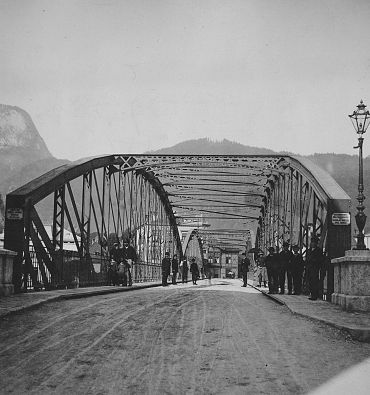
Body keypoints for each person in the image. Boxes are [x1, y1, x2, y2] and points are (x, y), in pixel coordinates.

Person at [305, 235, 324, 300]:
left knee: (314, 282)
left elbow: (320, 259)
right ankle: (312, 294)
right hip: (309, 268)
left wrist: (314, 260)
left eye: (314, 242)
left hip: (315, 268)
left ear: (316, 243)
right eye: (312, 242)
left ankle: (315, 295)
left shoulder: (319, 250)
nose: (312, 243)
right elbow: (306, 259)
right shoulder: (308, 250)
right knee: (310, 281)